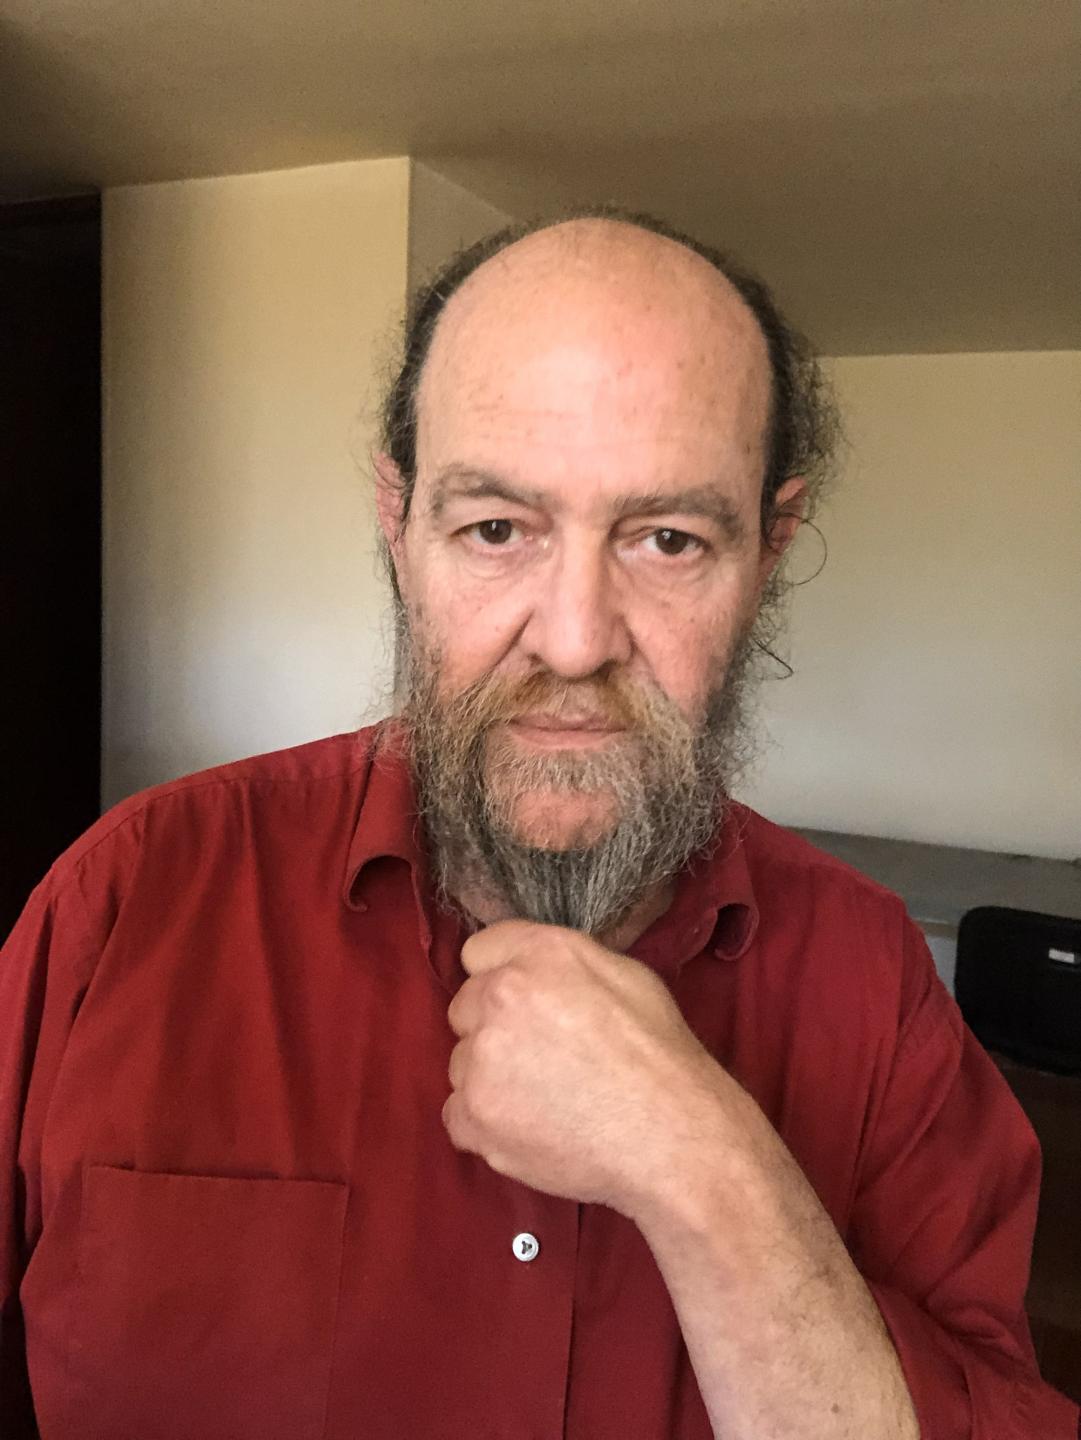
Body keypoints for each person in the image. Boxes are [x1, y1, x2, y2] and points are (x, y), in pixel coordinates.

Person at [1, 209, 1075, 1440]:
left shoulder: (871, 986)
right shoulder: (126, 905)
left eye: (666, 540)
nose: (572, 642)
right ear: (398, 525)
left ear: (769, 549)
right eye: (497, 530)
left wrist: (711, 1175)